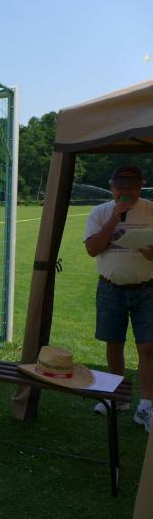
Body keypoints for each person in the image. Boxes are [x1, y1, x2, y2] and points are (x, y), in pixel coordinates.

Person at [84, 165, 153, 433]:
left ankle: (145, 406)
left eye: (131, 187)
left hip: (147, 289)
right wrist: (114, 218)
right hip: (110, 289)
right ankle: (118, 397)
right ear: (111, 187)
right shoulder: (100, 212)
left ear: (140, 187)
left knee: (148, 347)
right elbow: (92, 249)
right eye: (120, 187)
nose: (126, 192)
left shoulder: (150, 209)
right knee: (114, 344)